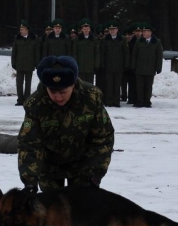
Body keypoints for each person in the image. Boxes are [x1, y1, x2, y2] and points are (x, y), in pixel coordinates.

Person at [18, 55, 114, 191]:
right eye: (52, 91)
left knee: (80, 208)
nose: (58, 97)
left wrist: (95, 174)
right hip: (49, 167)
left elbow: (102, 138)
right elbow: (30, 144)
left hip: (83, 166)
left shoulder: (91, 98)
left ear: (73, 85)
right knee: (52, 210)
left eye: (63, 92)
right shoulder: (36, 104)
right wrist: (30, 181)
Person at [130, 22, 163, 108]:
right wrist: (133, 66)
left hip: (150, 68)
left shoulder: (157, 42)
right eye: (143, 31)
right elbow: (134, 55)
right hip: (139, 68)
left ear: (150, 32)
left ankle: (147, 101)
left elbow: (159, 56)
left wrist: (158, 67)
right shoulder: (138, 41)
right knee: (139, 86)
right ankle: (140, 101)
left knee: (148, 86)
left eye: (145, 31)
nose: (143, 33)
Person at [11, 20, 40, 106]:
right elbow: (14, 52)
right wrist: (14, 63)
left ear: (27, 30)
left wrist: (36, 63)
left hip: (29, 64)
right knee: (19, 83)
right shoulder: (17, 39)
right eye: (20, 29)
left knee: (28, 83)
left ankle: (27, 98)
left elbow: (36, 53)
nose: (21, 31)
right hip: (19, 64)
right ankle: (20, 99)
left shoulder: (34, 39)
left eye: (22, 29)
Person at [100, 21, 129, 108]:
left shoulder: (122, 39)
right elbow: (103, 53)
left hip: (119, 66)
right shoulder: (105, 40)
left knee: (117, 84)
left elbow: (126, 53)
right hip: (108, 66)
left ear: (117, 30)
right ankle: (109, 101)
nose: (112, 31)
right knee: (109, 85)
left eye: (114, 29)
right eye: (110, 29)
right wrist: (102, 64)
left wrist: (126, 64)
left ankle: (116, 101)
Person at [72, 18, 99, 84]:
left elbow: (97, 53)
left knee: (90, 84)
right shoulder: (77, 39)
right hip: (80, 67)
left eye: (87, 29)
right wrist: (75, 64)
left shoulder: (94, 39)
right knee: (81, 84)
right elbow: (75, 52)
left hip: (90, 66)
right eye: (84, 29)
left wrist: (96, 65)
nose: (86, 30)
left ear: (89, 29)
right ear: (82, 29)